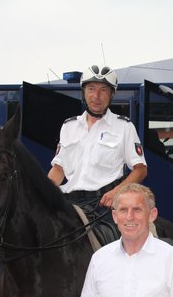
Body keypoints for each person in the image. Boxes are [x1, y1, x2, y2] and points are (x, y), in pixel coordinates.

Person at [48, 64, 147, 214]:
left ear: (112, 94)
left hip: (103, 206)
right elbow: (58, 169)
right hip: (68, 204)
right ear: (83, 92)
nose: (96, 96)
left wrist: (116, 192)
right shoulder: (69, 126)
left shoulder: (124, 127)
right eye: (91, 88)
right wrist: (42, 193)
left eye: (103, 90)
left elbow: (140, 170)